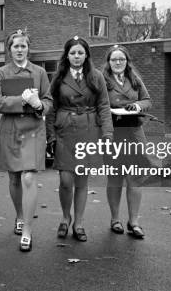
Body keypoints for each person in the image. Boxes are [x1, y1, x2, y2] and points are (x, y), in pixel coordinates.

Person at [46, 36, 113, 242]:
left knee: (82, 180)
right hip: (65, 130)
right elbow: (51, 107)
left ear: (86, 55)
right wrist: (50, 136)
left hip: (88, 130)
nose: (77, 56)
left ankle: (79, 223)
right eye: (73, 53)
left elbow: (103, 105)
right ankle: (65, 218)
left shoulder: (96, 76)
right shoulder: (58, 77)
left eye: (80, 53)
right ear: (67, 55)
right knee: (66, 180)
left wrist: (107, 134)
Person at [0, 30, 53, 252]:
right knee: (15, 178)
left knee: (28, 177)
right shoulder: (0, 73)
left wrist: (38, 105)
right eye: (15, 46)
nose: (19, 50)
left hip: (34, 130)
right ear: (9, 50)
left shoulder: (39, 72)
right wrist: (23, 100)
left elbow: (48, 100)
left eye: (23, 46)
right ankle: (19, 215)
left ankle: (27, 230)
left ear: (28, 48)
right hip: (11, 130)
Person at [102, 44, 152, 239]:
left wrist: (137, 105)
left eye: (121, 59)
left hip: (133, 132)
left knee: (135, 178)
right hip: (113, 133)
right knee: (115, 178)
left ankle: (134, 222)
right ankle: (115, 220)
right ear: (108, 62)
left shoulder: (134, 79)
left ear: (126, 61)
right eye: (113, 59)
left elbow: (147, 100)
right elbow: (97, 103)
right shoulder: (101, 80)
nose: (117, 62)